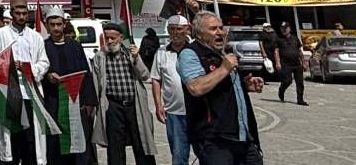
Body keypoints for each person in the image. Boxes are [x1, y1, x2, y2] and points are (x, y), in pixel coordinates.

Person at [178, 11, 263, 165]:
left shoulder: (223, 54)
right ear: (199, 33)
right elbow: (196, 87)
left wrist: (245, 86)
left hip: (243, 135)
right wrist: (224, 68)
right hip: (214, 138)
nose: (220, 32)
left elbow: (222, 86)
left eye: (221, 28)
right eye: (213, 29)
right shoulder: (190, 54)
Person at [0, 0, 49, 165]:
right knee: (13, 137)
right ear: (11, 13)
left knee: (30, 139)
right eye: (18, 13)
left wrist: (27, 68)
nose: (21, 16)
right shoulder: (1, 34)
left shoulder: (35, 36)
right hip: (10, 92)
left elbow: (44, 62)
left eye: (24, 13)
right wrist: (9, 65)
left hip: (30, 93)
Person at [91, 23, 156, 165]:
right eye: (107, 38)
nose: (109, 41)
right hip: (113, 106)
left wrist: (136, 58)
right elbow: (96, 84)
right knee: (115, 147)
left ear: (120, 38)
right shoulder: (100, 57)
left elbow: (145, 75)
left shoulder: (130, 54)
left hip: (134, 105)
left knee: (141, 143)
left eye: (113, 38)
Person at [42, 6, 96, 165]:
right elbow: (39, 72)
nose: (56, 28)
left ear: (64, 24)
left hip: (76, 104)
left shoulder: (75, 46)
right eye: (52, 25)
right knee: (56, 146)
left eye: (59, 24)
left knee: (80, 146)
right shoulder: (43, 47)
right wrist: (48, 75)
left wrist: (89, 103)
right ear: (47, 26)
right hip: (54, 103)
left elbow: (85, 74)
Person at [151, 15, 192, 165]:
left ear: (187, 29)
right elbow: (156, 79)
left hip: (198, 112)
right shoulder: (161, 52)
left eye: (179, 29)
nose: (175, 33)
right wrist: (158, 105)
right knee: (179, 155)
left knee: (207, 154)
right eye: (172, 29)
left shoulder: (195, 49)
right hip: (174, 113)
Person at [274, 24, 307, 106]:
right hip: (285, 64)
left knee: (300, 82)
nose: (284, 30)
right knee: (287, 81)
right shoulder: (279, 39)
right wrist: (277, 62)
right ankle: (281, 90)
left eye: (285, 28)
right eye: (282, 28)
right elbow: (276, 51)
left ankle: (300, 100)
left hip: (297, 63)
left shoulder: (295, 38)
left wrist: (304, 63)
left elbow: (300, 51)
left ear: (289, 29)